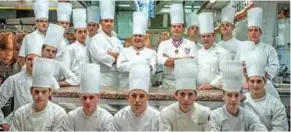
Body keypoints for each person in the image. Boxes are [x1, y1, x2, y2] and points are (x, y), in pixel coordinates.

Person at [10, 58, 66, 131]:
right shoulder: (21, 113)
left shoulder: (59, 113)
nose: (40, 95)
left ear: (49, 92)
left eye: (44, 92)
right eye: (36, 91)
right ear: (31, 92)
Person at [209, 60, 268, 131]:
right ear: (223, 96)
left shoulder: (248, 115)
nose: (233, 99)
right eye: (229, 95)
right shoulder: (214, 116)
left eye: (236, 95)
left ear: (241, 96)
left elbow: (261, 129)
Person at [0, 36, 42, 131]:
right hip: (20, 125)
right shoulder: (14, 80)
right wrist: (3, 123)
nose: (33, 62)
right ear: (25, 61)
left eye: (36, 59)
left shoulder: (49, 79)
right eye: (29, 59)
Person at [159, 58, 211, 131]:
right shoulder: (166, 113)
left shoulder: (204, 112)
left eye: (190, 94)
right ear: (176, 95)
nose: (186, 99)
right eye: (182, 94)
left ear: (195, 96)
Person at [243, 50, 288, 131]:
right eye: (252, 81)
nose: (255, 85)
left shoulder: (276, 105)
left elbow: (281, 129)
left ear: (265, 82)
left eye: (259, 81)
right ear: (248, 82)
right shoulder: (241, 101)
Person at [157, 3, 198, 88]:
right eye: (174, 26)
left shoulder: (191, 44)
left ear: (183, 29)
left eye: (179, 26)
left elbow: (192, 64)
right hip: (167, 84)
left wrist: (169, 59)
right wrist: (185, 59)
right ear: (170, 29)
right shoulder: (163, 44)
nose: (176, 29)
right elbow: (160, 61)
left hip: (185, 84)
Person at [62, 63, 113, 131]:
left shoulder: (106, 118)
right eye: (84, 97)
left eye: (91, 97)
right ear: (80, 98)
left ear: (98, 97)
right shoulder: (72, 116)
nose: (87, 101)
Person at [112, 62, 159, 131]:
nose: (137, 100)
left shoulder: (157, 118)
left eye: (141, 96)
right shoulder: (119, 117)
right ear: (128, 97)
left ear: (147, 98)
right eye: (134, 96)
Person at [235, 7, 279, 81]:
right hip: (244, 85)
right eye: (250, 30)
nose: (253, 33)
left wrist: (261, 72)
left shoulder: (269, 49)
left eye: (256, 30)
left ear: (260, 32)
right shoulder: (241, 48)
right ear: (247, 33)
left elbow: (275, 68)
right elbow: (235, 66)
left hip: (263, 85)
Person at [88, 1, 123, 87]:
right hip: (102, 80)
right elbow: (102, 57)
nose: (109, 24)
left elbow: (124, 55)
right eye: (106, 21)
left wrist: (113, 54)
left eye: (111, 21)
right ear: (100, 23)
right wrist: (117, 57)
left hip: (117, 79)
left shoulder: (116, 39)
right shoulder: (96, 40)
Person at [117, 11, 157, 87]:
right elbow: (119, 67)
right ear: (132, 37)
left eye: (140, 36)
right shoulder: (124, 51)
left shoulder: (152, 53)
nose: (137, 38)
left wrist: (130, 64)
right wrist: (143, 65)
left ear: (144, 38)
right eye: (135, 36)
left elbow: (152, 70)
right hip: (126, 86)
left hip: (144, 87)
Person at [197, 12, 230, 90]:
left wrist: (212, 85)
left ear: (214, 36)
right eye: (203, 36)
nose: (206, 39)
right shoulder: (198, 53)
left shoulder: (223, 52)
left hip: (216, 89)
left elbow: (226, 73)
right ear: (200, 38)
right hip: (199, 89)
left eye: (208, 36)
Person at [18, 0, 49, 67]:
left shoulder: (49, 38)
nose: (44, 23)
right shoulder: (28, 37)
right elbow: (21, 58)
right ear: (36, 23)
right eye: (41, 21)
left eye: (46, 22)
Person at [62, 8, 90, 80]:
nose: (83, 34)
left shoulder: (88, 48)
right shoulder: (70, 48)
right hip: (74, 82)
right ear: (75, 34)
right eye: (80, 32)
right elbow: (66, 68)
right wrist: (74, 79)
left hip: (87, 81)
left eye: (85, 32)